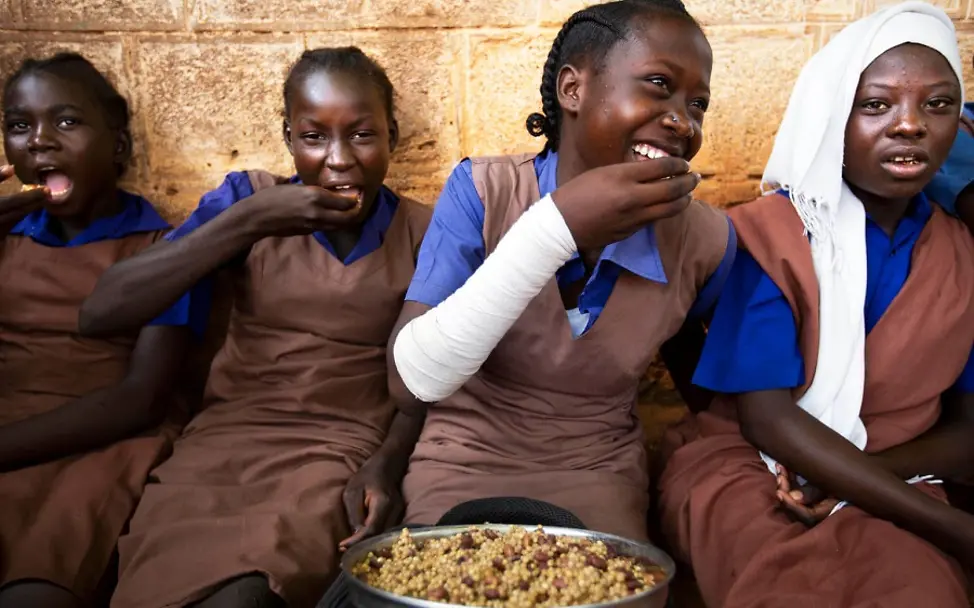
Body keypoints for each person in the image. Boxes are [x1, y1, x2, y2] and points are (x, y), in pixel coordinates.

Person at [78, 47, 432, 608]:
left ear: (391, 134)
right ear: (288, 136)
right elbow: (101, 312)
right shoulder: (246, 200)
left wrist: (385, 462)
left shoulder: (423, 232)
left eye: (362, 135)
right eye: (314, 137)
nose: (339, 160)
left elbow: (431, 383)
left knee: (247, 593)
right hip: (222, 445)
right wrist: (251, 221)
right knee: (164, 575)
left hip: (336, 451)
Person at [656, 3, 974, 607]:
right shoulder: (774, 237)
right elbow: (767, 421)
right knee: (781, 581)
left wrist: (864, 479)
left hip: (898, 473)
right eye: (876, 105)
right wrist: (960, 529)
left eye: (937, 105)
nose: (910, 125)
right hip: (755, 470)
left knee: (919, 590)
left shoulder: (963, 255)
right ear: (832, 117)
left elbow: (967, 429)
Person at [389, 0, 734, 542]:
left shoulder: (704, 238)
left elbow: (701, 360)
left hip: (596, 470)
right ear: (573, 90)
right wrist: (556, 227)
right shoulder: (483, 193)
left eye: (698, 104)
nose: (681, 120)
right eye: (657, 84)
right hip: (466, 460)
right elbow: (412, 384)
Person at [0, 53, 196, 608]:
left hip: (105, 444)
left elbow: (140, 399)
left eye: (66, 122)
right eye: (19, 126)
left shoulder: (162, 251)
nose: (40, 141)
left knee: (38, 584)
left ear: (118, 144)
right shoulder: (8, 237)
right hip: (11, 421)